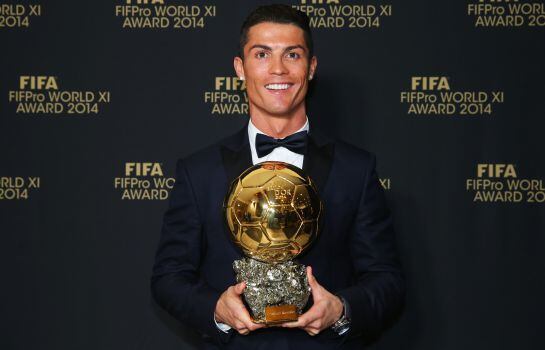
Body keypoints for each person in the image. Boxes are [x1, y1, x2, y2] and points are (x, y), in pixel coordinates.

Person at [151, 4, 404, 349]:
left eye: (293, 55)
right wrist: (216, 309)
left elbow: (387, 281)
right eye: (261, 54)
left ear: (311, 67)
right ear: (240, 68)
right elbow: (168, 278)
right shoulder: (199, 172)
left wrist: (341, 310)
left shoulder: (355, 170)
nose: (277, 70)